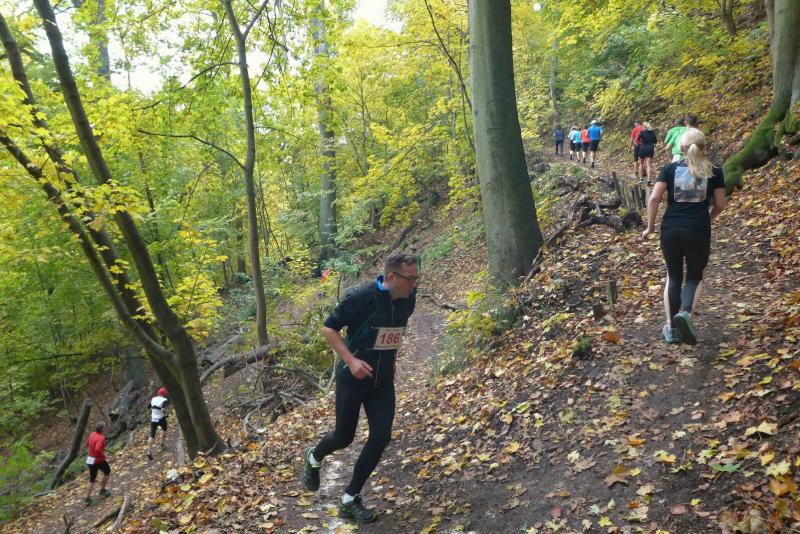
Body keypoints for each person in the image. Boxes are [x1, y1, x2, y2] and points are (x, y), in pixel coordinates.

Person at [302, 254, 418, 524]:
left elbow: (392, 333)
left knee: (381, 436)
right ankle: (314, 456)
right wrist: (351, 360)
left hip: (382, 382)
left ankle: (349, 498)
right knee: (343, 437)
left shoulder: (409, 299)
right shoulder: (361, 298)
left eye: (416, 278)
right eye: (410, 279)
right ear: (391, 277)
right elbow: (329, 328)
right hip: (351, 380)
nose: (414, 284)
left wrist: (387, 360)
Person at [642, 128, 726, 345]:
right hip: (698, 229)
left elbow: (654, 198)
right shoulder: (715, 171)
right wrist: (707, 218)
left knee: (673, 277)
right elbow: (720, 204)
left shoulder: (669, 169)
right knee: (695, 276)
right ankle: (685, 314)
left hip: (670, 229)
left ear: (680, 148)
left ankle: (671, 327)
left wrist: (650, 227)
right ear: (704, 147)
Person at [84, 421, 111, 505]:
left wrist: (91, 450)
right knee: (107, 472)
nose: (105, 428)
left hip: (90, 459)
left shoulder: (92, 434)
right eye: (104, 427)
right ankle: (102, 490)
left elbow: (87, 443)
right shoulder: (101, 438)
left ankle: (87, 498)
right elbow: (97, 449)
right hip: (98, 460)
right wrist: (103, 455)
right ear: (102, 429)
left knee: (92, 479)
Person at [147, 387, 169, 460]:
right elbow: (163, 409)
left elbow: (148, 407)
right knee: (164, 431)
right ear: (165, 394)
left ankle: (149, 451)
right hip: (161, 419)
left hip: (153, 419)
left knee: (152, 435)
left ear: (158, 393)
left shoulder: (153, 399)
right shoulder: (164, 400)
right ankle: (162, 443)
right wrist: (166, 414)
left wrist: (154, 410)